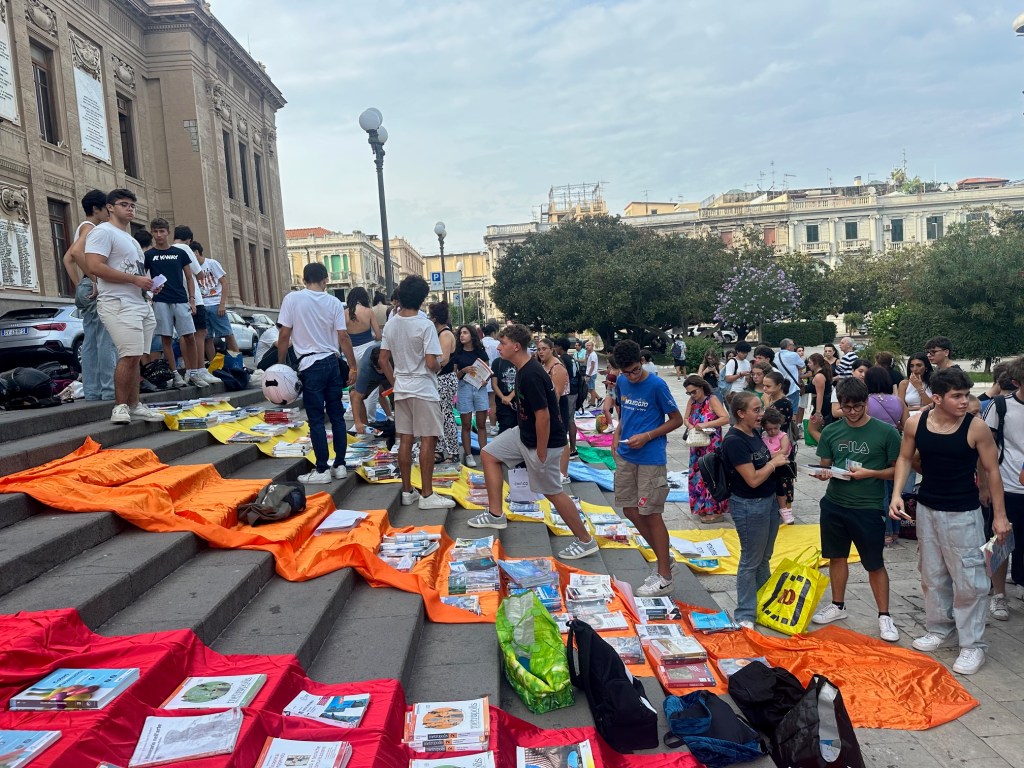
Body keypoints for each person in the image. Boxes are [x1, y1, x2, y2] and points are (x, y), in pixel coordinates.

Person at [891, 368, 1011, 674]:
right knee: (932, 575)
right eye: (956, 396)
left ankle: (973, 645)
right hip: (928, 510)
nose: (963, 401)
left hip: (964, 513)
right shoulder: (916, 422)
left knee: (970, 580)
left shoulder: (976, 428)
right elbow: (905, 457)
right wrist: (897, 494)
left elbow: (992, 471)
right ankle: (939, 626)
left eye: (965, 395)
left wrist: (999, 516)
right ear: (937, 398)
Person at [468, 324, 598, 559]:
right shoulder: (523, 368)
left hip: (543, 441)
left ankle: (585, 540)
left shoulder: (530, 374)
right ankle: (496, 514)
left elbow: (544, 415)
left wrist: (540, 450)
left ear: (516, 347)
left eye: (503, 343)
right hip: (523, 433)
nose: (498, 347)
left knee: (553, 492)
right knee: (488, 454)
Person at [809, 377, 902, 641]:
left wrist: (868, 473)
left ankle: (884, 615)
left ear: (866, 403)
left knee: (874, 563)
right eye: (847, 407)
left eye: (858, 406)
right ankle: (837, 605)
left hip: (868, 506)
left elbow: (898, 470)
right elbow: (825, 463)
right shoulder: (831, 431)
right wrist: (822, 474)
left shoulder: (886, 432)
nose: (852, 412)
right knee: (836, 556)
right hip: (834, 503)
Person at [603, 340, 684, 595]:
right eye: (626, 372)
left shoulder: (657, 385)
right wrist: (617, 433)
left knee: (650, 512)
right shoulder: (623, 381)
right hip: (627, 453)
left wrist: (648, 436)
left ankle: (665, 576)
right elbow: (625, 413)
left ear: (641, 361)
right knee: (629, 509)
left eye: (635, 369)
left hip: (650, 456)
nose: (631, 376)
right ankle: (664, 558)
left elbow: (677, 420)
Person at [84, 189, 164, 424]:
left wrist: (147, 288)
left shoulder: (130, 239)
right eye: (124, 204)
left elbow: (134, 272)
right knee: (128, 355)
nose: (130, 209)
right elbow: (95, 267)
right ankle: (119, 407)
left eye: (132, 205)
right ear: (110, 207)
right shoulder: (102, 232)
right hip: (117, 303)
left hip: (138, 302)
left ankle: (134, 404)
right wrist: (134, 281)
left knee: (136, 356)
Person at [378, 276, 455, 510]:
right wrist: (442, 362)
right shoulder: (425, 325)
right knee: (428, 440)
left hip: (402, 388)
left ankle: (407, 491)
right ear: (422, 299)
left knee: (405, 440)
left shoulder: (391, 323)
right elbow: (431, 362)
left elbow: (383, 359)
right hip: (423, 387)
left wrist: (397, 381)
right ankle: (427, 494)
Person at [277, 262, 357, 485]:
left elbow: (284, 334)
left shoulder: (293, 299)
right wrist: (352, 366)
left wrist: (280, 364)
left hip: (310, 365)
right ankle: (340, 465)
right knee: (337, 416)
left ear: (304, 280)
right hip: (332, 362)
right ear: (325, 280)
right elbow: (343, 337)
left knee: (316, 419)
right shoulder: (333, 302)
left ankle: (322, 468)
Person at [722, 392, 790, 628]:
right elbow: (752, 478)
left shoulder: (753, 433)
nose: (761, 414)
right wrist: (774, 462)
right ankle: (744, 615)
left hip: (768, 501)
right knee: (751, 560)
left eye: (761, 409)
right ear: (741, 414)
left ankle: (765, 603)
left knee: (764, 558)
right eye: (756, 410)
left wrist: (774, 457)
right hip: (750, 505)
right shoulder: (734, 440)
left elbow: (759, 461)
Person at [62, 189, 116, 401]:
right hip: (94, 287)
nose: (108, 214)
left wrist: (80, 284)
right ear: (96, 209)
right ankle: (108, 390)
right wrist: (94, 280)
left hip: (85, 286)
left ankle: (92, 390)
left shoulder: (82, 228)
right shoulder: (91, 228)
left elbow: (67, 259)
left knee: (91, 340)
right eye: (106, 209)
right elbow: (75, 253)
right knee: (104, 339)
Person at [982, 356, 1024, 620]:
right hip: (1007, 487)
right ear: (1017, 382)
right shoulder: (1001, 407)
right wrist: (984, 486)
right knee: (1000, 543)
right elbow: (983, 450)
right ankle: (998, 595)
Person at [144, 218, 198, 388]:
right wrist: (148, 295)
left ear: (168, 232)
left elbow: (189, 277)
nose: (159, 235)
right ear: (152, 233)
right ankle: (175, 374)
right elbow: (141, 277)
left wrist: (192, 299)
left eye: (162, 231)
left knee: (189, 335)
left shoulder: (180, 253)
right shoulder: (149, 255)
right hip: (160, 301)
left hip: (181, 299)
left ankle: (193, 372)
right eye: (155, 232)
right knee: (166, 338)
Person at [866, 365, 909, 547]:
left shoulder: (866, 401)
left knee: (880, 490)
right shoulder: (898, 401)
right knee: (894, 488)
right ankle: (896, 529)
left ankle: (886, 532)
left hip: (876, 445)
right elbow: (906, 425)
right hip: (896, 443)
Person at [171, 226, 218, 384]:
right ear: (189, 240)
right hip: (194, 298)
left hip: (177, 298)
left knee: (186, 335)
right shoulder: (185, 248)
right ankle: (199, 369)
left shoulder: (168, 249)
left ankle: (190, 370)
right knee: (200, 333)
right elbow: (199, 274)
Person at [683, 375, 730, 523]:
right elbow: (685, 418)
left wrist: (705, 425)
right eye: (689, 393)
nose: (692, 395)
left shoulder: (712, 400)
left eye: (694, 392)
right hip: (697, 444)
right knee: (698, 476)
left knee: (711, 475)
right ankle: (702, 507)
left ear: (702, 387)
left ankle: (715, 510)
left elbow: (725, 418)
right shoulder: (692, 401)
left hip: (711, 445)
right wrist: (691, 427)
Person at [193, 238, 240, 368]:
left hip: (215, 303)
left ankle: (237, 363)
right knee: (207, 337)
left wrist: (222, 304)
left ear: (196, 252)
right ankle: (215, 366)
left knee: (227, 334)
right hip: (202, 305)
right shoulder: (192, 269)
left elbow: (224, 283)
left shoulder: (211, 263)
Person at [345, 287, 385, 431]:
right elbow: (379, 335)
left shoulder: (345, 313)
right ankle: (371, 418)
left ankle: (359, 420)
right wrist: (374, 337)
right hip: (367, 348)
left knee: (356, 386)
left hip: (351, 350)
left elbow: (342, 336)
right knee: (371, 387)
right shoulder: (368, 312)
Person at [761, 371, 796, 523]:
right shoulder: (771, 400)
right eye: (764, 385)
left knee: (784, 479)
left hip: (781, 446)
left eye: (768, 386)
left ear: (779, 386)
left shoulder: (784, 403)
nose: (765, 389)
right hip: (768, 446)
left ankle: (786, 509)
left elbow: (775, 422)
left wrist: (767, 404)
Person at [454, 324, 490, 468]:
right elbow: (455, 375)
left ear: (472, 335)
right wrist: (463, 370)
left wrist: (485, 381)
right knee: (466, 424)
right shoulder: (458, 352)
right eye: (460, 333)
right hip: (464, 388)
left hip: (479, 388)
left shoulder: (481, 351)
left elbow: (487, 371)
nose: (462, 335)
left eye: (465, 333)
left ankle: (484, 453)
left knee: (481, 424)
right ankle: (469, 455)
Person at [536, 337, 572, 482]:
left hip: (557, 407)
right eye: (539, 349)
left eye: (544, 349)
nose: (541, 352)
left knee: (562, 439)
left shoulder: (557, 367)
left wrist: (551, 412)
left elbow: (557, 393)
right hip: (548, 406)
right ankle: (556, 470)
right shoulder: (544, 365)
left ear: (552, 349)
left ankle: (564, 473)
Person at [428, 302, 460, 463]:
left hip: (444, 378)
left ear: (435, 318)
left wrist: (432, 367)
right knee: (439, 416)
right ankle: (440, 450)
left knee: (446, 415)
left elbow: (443, 358)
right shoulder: (441, 333)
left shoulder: (445, 335)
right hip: (441, 378)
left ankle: (453, 451)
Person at [554, 337, 580, 458]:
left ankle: (567, 449)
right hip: (575, 392)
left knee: (565, 421)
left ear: (559, 347)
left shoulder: (562, 360)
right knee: (570, 419)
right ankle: (572, 448)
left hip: (567, 394)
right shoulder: (572, 358)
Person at [490, 345, 518, 435]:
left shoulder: (518, 361)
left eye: (502, 345)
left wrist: (510, 396)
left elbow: (521, 382)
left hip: (517, 400)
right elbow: (494, 384)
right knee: (505, 429)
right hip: (502, 402)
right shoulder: (497, 362)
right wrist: (503, 397)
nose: (498, 348)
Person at [482, 322, 501, 434]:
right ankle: (493, 427)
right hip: (494, 374)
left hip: (481, 374)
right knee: (493, 403)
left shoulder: (479, 343)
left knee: (482, 404)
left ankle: (482, 427)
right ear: (494, 332)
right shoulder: (497, 343)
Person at [776, 338, 805, 413]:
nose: (794, 347)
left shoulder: (776, 355)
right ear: (788, 346)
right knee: (793, 410)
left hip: (780, 387)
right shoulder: (793, 354)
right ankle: (792, 424)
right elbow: (802, 365)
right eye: (793, 345)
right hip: (792, 387)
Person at [723, 341, 752, 408]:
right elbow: (728, 379)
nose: (745, 355)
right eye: (743, 353)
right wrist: (740, 374)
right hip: (734, 391)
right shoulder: (732, 362)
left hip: (745, 390)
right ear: (737, 351)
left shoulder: (747, 362)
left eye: (746, 353)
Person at [585, 340, 600, 407]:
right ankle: (598, 398)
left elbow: (592, 366)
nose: (587, 347)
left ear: (592, 346)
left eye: (589, 345)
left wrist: (589, 375)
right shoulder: (589, 354)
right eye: (587, 345)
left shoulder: (593, 355)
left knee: (591, 389)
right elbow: (585, 363)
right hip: (589, 373)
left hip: (591, 374)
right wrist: (586, 354)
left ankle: (593, 403)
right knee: (589, 388)